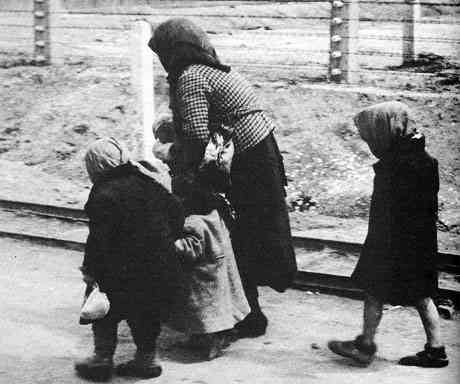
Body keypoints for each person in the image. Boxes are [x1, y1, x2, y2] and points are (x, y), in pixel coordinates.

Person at [148, 18, 297, 338]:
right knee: (250, 235)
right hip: (260, 157)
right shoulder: (214, 70)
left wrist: (168, 153)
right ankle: (248, 313)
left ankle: (246, 316)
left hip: (245, 166)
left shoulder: (189, 77)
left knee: (230, 236)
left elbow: (197, 140)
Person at [328, 101, 449, 368]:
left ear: (387, 133)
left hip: (391, 242)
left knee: (373, 290)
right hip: (421, 241)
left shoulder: (392, 167)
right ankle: (436, 349)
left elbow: (383, 213)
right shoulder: (427, 161)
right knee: (423, 294)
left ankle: (365, 345)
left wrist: (377, 247)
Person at [75, 138, 185, 381]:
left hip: (121, 270)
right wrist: (167, 239)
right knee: (146, 312)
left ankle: (102, 358)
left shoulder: (103, 193)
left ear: (96, 166)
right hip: (159, 266)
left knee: (102, 306)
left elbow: (98, 240)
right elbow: (176, 209)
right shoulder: (146, 180)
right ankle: (147, 359)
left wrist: (90, 271)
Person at [168, 173, 250, 359]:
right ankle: (202, 338)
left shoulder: (192, 223)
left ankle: (213, 341)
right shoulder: (214, 214)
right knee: (217, 308)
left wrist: (169, 243)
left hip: (203, 277)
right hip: (219, 269)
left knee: (203, 311)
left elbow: (190, 248)